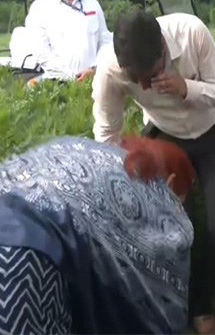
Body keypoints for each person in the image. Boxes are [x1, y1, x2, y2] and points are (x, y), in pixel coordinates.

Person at [92, 11, 215, 335]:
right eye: (136, 80)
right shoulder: (111, 68)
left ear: (163, 49)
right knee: (175, 229)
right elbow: (106, 132)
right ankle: (184, 310)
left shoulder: (191, 32)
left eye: (151, 75)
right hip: (166, 136)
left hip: (212, 131)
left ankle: (201, 302)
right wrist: (118, 181)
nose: (144, 86)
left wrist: (187, 88)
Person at [0, 136, 194, 334]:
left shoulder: (83, 148)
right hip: (26, 259)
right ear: (170, 182)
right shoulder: (156, 197)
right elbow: (161, 276)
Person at [25, 0, 112, 80]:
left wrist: (95, 70)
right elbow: (41, 53)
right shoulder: (40, 8)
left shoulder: (92, 5)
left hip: (94, 79)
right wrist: (71, 78)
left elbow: (105, 42)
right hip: (57, 83)